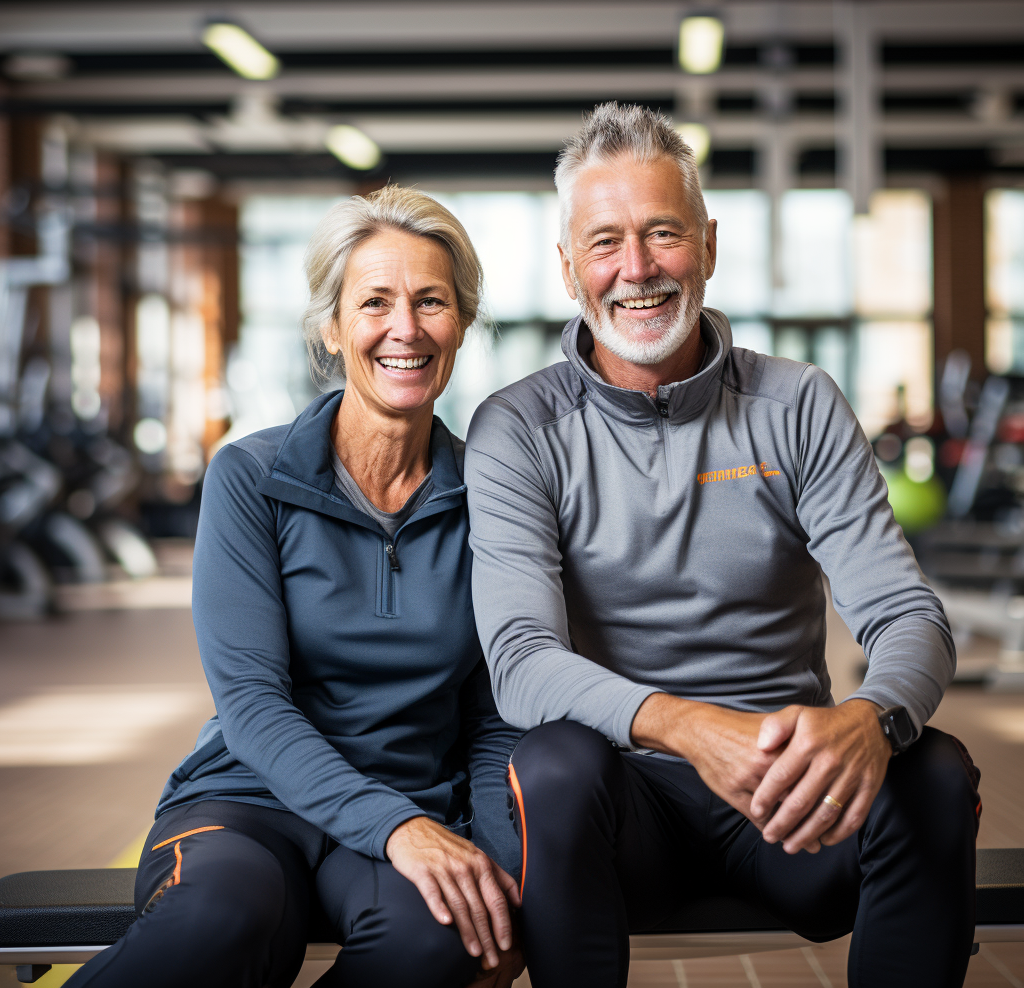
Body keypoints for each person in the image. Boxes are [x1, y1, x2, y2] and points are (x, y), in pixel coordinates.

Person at [464, 103, 981, 988]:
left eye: (662, 233)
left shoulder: (798, 405)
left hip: (792, 803)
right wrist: (692, 729)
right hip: (621, 815)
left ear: (707, 242)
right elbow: (519, 658)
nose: (637, 269)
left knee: (931, 769)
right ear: (567, 268)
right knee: (551, 763)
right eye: (604, 242)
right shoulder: (519, 428)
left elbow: (905, 613)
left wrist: (869, 721)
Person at [69, 186, 523, 988]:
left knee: (443, 936)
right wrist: (395, 829)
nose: (405, 328)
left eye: (431, 302)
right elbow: (251, 704)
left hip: (414, 802)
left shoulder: (493, 494)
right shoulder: (251, 477)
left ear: (462, 322)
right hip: (248, 803)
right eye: (374, 301)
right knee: (221, 924)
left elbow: (495, 715)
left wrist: (506, 867)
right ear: (331, 327)